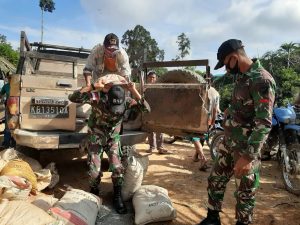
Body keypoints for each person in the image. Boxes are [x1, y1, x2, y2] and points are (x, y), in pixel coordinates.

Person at [197, 39, 276, 225]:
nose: (226, 69)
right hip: (228, 142)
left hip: (246, 147)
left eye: (226, 64)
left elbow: (264, 122)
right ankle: (212, 219)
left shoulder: (261, 80)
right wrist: (228, 112)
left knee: (245, 191)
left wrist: (248, 157)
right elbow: (242, 105)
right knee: (215, 179)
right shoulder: (242, 77)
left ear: (233, 57)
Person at [68, 80, 150, 214]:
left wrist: (134, 90)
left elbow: (146, 109)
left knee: (118, 168)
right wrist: (93, 86)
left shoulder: (127, 101)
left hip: (113, 139)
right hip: (97, 138)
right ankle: (94, 192)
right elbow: (73, 97)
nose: (116, 113)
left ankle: (117, 197)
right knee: (94, 172)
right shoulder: (97, 98)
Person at [192, 76, 220, 171]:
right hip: (208, 119)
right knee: (201, 137)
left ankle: (203, 159)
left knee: (195, 137)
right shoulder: (215, 93)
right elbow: (215, 110)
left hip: (197, 118)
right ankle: (196, 156)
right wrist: (212, 122)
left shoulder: (198, 89)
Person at [145, 71, 168, 154]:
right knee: (150, 130)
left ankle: (160, 147)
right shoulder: (145, 88)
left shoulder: (159, 88)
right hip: (148, 112)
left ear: (156, 79)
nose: (152, 79)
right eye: (150, 77)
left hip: (158, 112)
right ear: (147, 78)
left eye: (153, 78)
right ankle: (152, 147)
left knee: (159, 130)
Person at [0, 72, 16, 148]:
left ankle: (14, 142)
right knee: (7, 125)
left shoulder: (17, 86)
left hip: (17, 108)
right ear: (7, 78)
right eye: (9, 77)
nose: (10, 79)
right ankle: (6, 143)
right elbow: (1, 94)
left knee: (15, 125)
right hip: (8, 108)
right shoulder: (6, 86)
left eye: (11, 77)